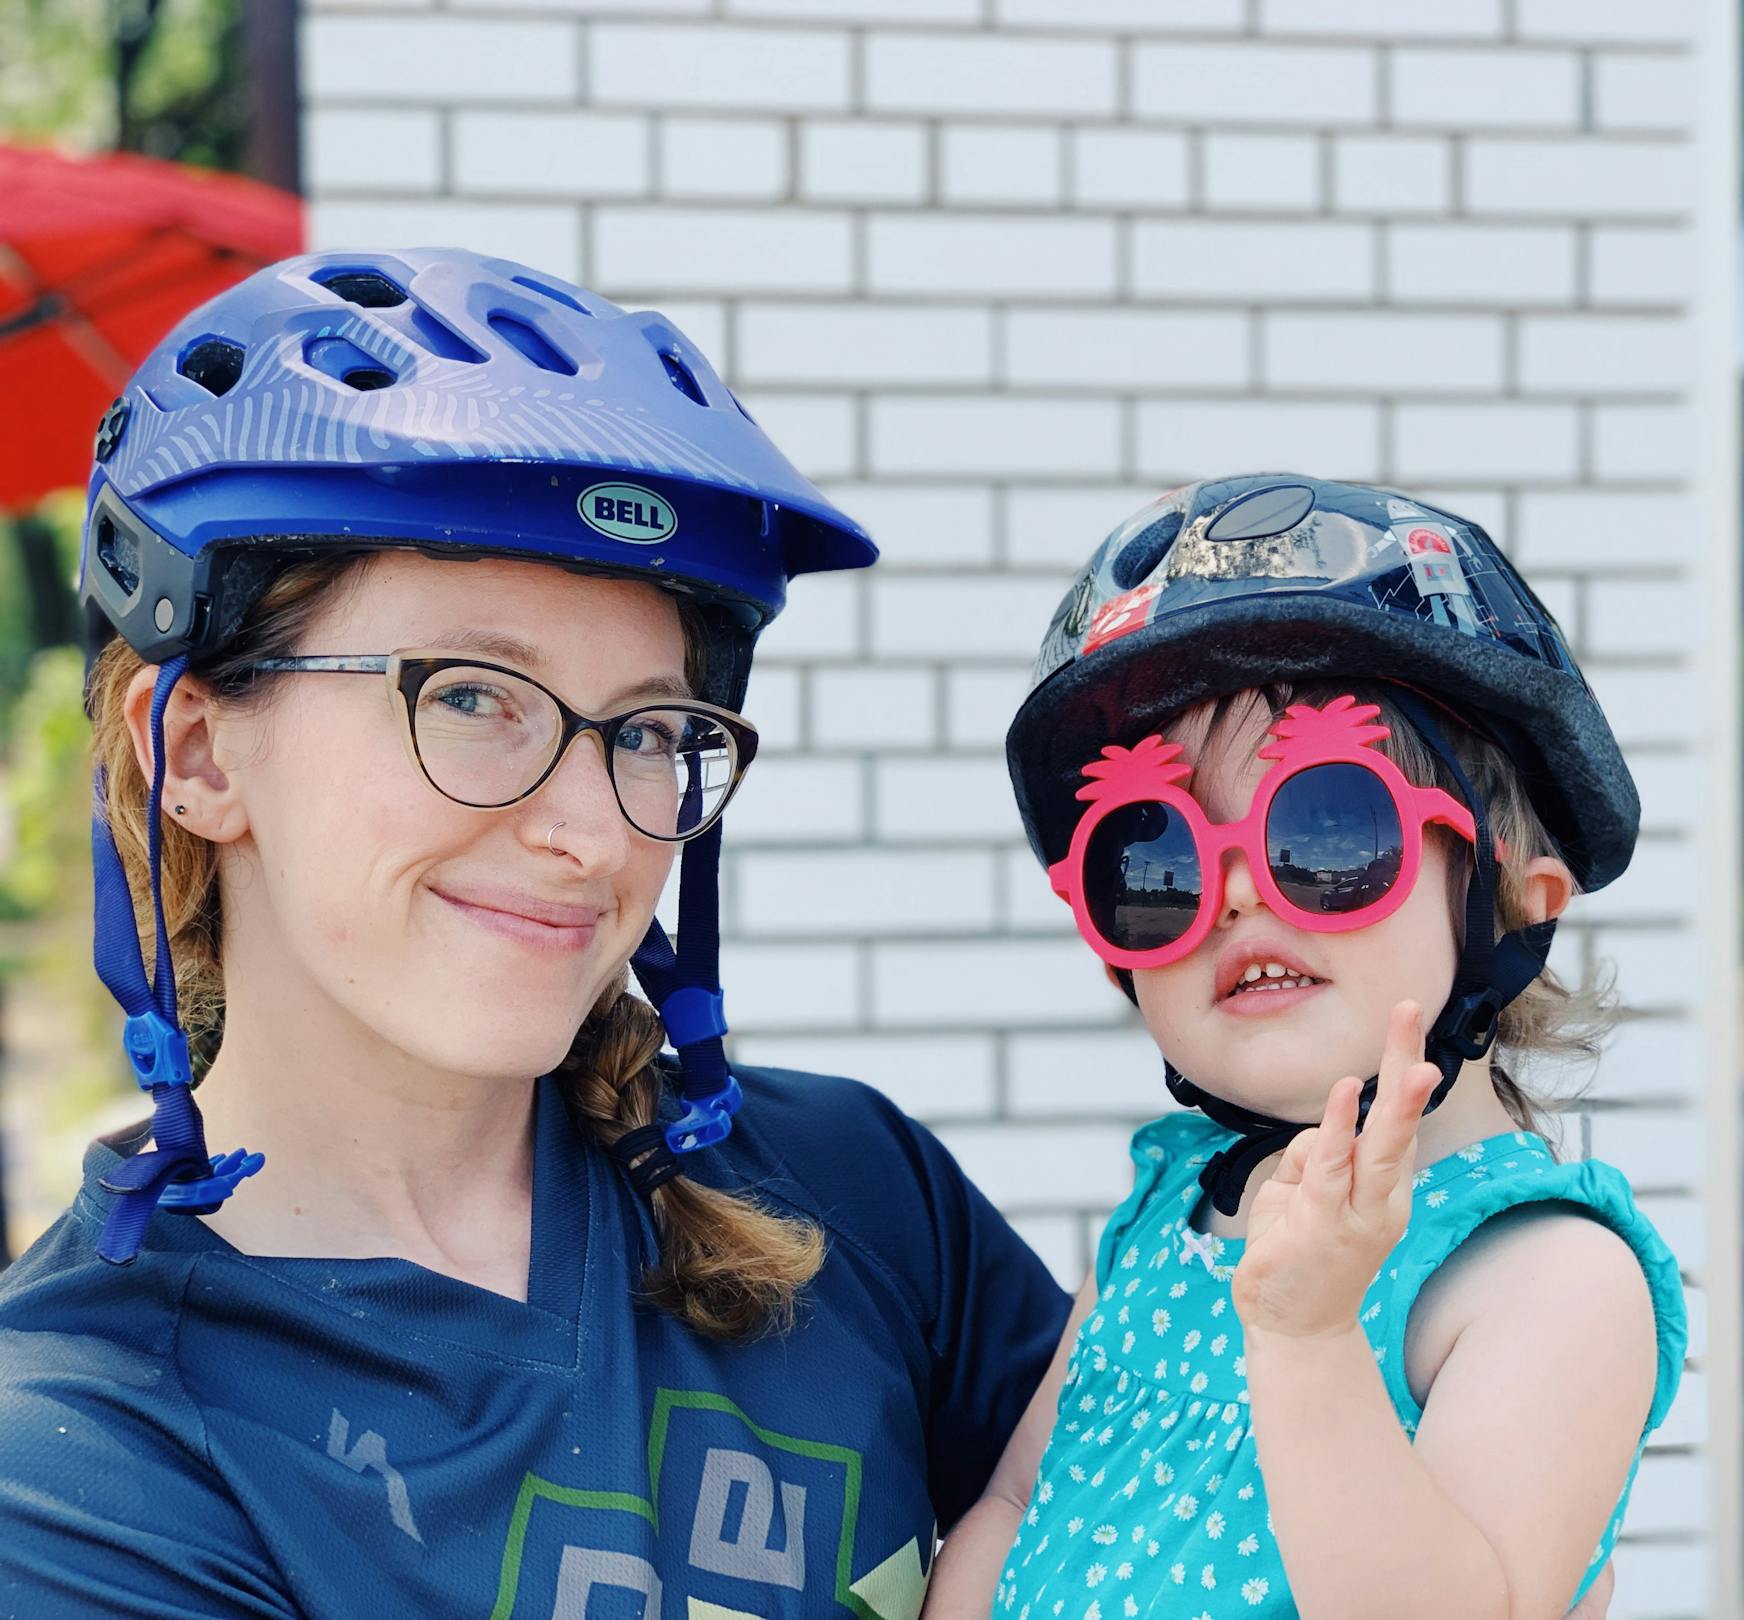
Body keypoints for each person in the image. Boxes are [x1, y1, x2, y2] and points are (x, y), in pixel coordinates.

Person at [0, 247, 1069, 1619]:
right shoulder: (81, 1463)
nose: (594, 832)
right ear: (195, 754)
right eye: (472, 695)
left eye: (650, 727)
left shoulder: (854, 1195)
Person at [925, 476, 1688, 1618]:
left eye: (1326, 828)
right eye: (1156, 861)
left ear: (1514, 909)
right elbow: (1012, 1505)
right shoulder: (1163, 1216)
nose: (1232, 894)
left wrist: (1313, 1339)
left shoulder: (1546, 1275)